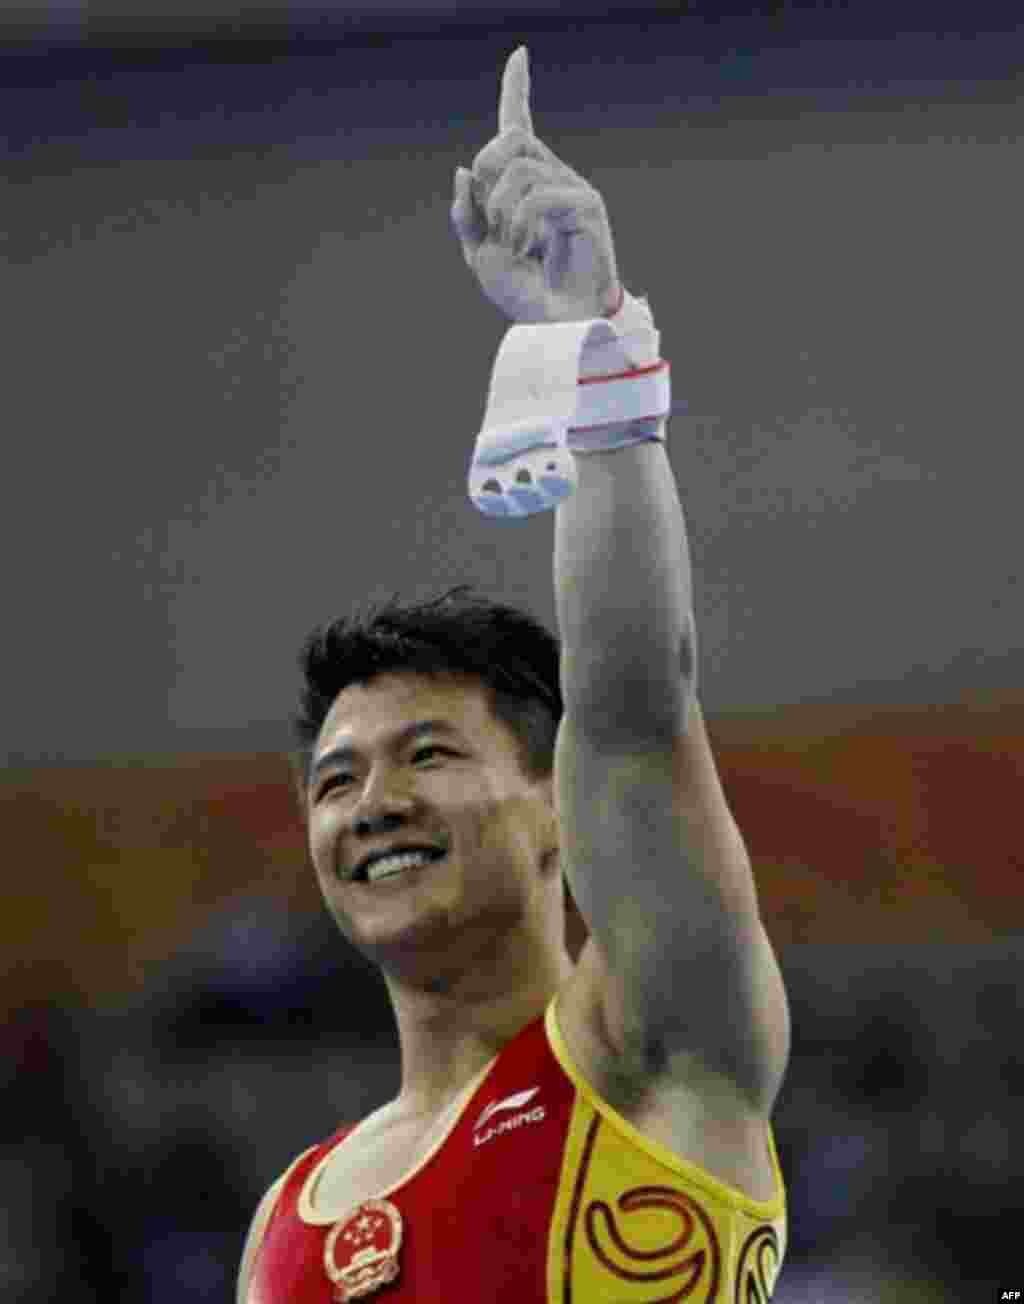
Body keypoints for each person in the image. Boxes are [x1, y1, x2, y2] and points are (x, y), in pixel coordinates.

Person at [238, 46, 790, 1303]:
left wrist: (586, 347)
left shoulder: (649, 1042)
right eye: (334, 778)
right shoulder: (286, 1216)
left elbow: (636, 696)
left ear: (560, 803)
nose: (370, 800)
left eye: (427, 753)